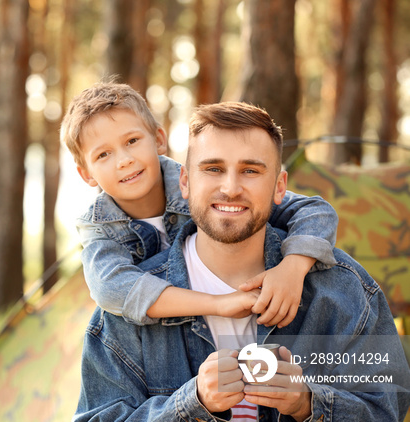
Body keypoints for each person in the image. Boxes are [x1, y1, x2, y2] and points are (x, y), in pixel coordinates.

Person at [71, 101, 410, 422]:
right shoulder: (127, 311)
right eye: (213, 169)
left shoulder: (345, 290)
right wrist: (192, 403)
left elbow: (387, 415)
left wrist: (307, 402)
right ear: (184, 181)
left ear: (280, 187)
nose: (231, 188)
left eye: (250, 171)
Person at [60, 81, 338, 328]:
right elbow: (111, 288)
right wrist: (217, 303)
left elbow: (314, 211)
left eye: (132, 141)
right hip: (166, 333)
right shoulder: (98, 226)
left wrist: (293, 267)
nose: (124, 160)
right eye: (104, 155)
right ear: (86, 174)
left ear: (159, 140)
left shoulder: (200, 183)